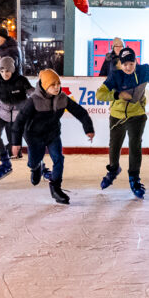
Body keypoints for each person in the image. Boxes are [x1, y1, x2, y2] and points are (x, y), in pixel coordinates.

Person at [96, 47, 149, 199]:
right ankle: (113, 169)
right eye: (125, 64)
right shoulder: (115, 76)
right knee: (114, 145)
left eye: (131, 63)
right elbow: (100, 94)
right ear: (120, 64)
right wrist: (117, 94)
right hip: (117, 116)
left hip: (137, 115)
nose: (128, 67)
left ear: (136, 61)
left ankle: (134, 178)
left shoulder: (144, 72)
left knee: (135, 145)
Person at [13, 69, 95, 204]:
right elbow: (19, 121)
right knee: (34, 160)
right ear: (45, 86)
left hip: (52, 134)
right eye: (53, 84)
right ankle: (35, 167)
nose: (57, 87)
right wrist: (16, 143)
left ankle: (56, 188)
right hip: (34, 136)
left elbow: (80, 112)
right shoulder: (33, 101)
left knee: (58, 158)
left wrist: (88, 129)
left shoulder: (62, 98)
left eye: (58, 83)